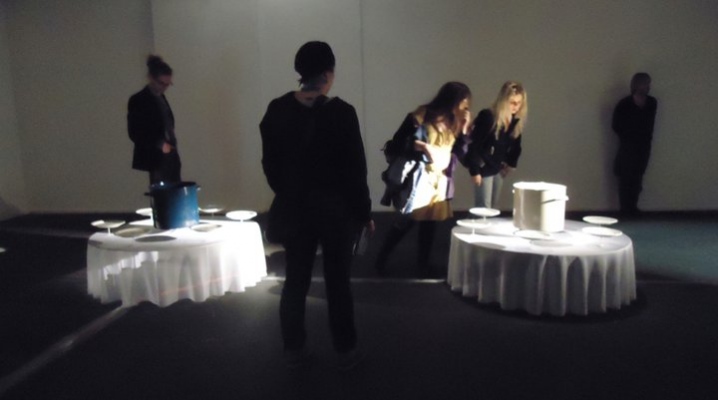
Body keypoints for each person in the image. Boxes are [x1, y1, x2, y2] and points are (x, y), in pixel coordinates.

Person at [259, 41, 374, 370]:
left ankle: (293, 347)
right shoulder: (342, 113)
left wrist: (287, 192)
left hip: (295, 208)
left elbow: (270, 164)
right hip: (334, 211)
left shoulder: (277, 109)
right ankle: (345, 349)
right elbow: (355, 170)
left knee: (295, 279)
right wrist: (363, 213)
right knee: (338, 282)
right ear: (327, 73)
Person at [375, 82, 472, 277]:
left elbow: (462, 153)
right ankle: (381, 259)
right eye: (463, 104)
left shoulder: (455, 121)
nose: (465, 109)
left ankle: (423, 264)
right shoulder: (421, 115)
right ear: (452, 101)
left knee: (430, 223)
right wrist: (423, 149)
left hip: (439, 180)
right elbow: (397, 143)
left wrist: (464, 130)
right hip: (418, 179)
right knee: (406, 220)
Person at [464, 81, 527, 209]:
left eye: (519, 103)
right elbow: (474, 144)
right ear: (504, 101)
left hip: (498, 167)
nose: (516, 106)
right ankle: (476, 223)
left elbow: (516, 145)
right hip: (484, 166)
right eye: (512, 102)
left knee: (492, 207)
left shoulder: (515, 121)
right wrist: (475, 171)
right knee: (483, 207)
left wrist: (511, 163)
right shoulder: (488, 117)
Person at [127, 55, 181, 184]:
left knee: (175, 189)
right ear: (151, 78)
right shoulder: (138, 100)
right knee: (162, 192)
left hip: (170, 153)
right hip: (156, 157)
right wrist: (161, 144)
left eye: (167, 84)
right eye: (161, 83)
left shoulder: (161, 98)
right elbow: (135, 132)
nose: (164, 88)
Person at [612, 72, 657, 216]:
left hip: (643, 146)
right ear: (637, 85)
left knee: (638, 177)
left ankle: (633, 207)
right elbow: (616, 125)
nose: (648, 87)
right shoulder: (624, 104)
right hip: (628, 146)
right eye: (645, 84)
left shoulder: (652, 103)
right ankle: (625, 209)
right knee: (625, 177)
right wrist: (628, 137)